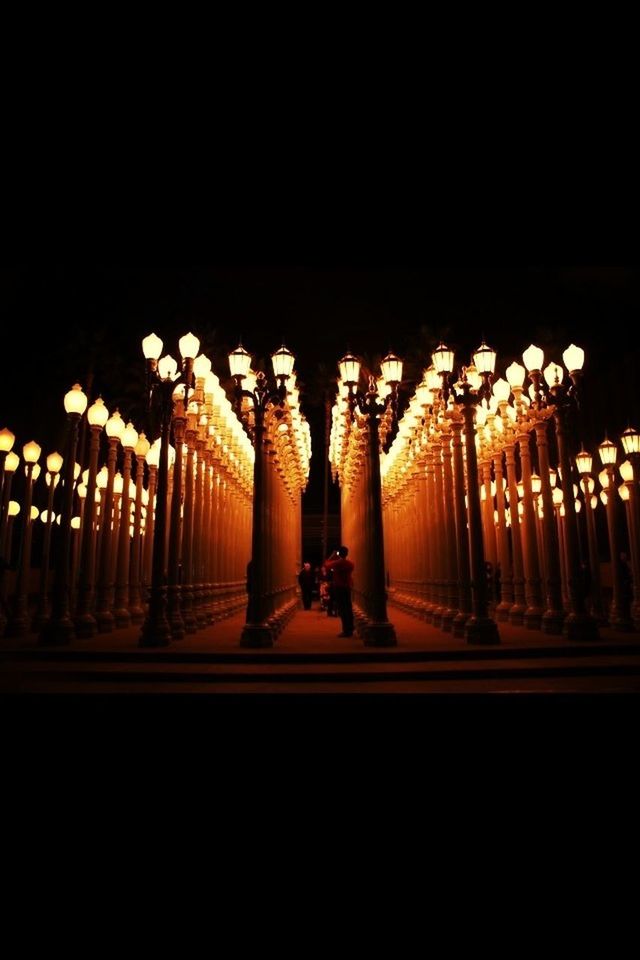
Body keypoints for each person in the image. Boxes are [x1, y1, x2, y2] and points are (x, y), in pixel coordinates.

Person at [324, 545, 354, 637]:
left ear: (339, 554)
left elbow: (326, 565)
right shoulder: (350, 564)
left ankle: (346, 630)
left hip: (339, 587)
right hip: (347, 587)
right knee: (348, 608)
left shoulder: (337, 563)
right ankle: (350, 627)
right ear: (347, 553)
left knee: (342, 609)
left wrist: (332, 556)